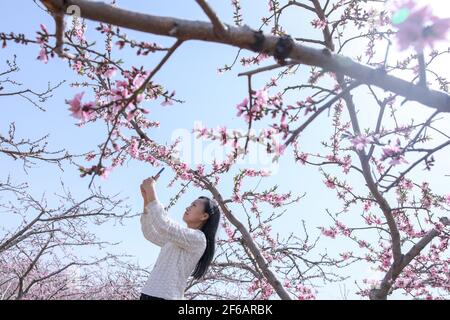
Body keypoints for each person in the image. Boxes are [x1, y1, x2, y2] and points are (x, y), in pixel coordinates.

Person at [139, 174, 221, 300]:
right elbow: (149, 232)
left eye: (193, 205)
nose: (188, 207)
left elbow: (163, 225)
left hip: (164, 297)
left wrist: (151, 190)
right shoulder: (179, 239)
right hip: (149, 293)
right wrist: (146, 199)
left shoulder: (198, 239)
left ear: (204, 216)